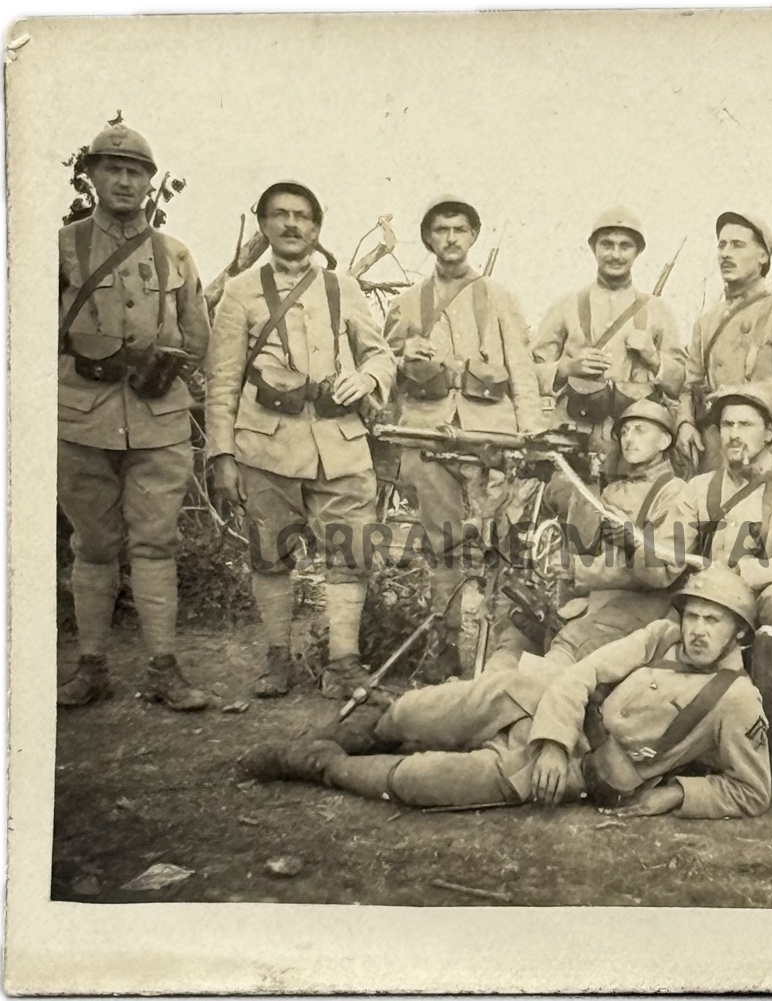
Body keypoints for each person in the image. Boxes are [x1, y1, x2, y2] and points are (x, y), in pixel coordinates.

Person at [238, 566, 772, 820]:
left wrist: (675, 795)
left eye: (714, 621)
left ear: (739, 634)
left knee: (425, 781)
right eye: (695, 615)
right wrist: (555, 739)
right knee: (453, 703)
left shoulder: (736, 699)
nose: (699, 630)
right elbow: (582, 674)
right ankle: (366, 726)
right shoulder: (662, 635)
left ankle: (316, 764)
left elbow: (752, 791)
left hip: (581, 769)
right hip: (556, 719)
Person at [205, 181, 396, 700]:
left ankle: (344, 666)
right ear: (264, 224)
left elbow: (380, 354)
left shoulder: (343, 288)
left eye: (303, 217)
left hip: (341, 444)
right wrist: (222, 454)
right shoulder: (240, 291)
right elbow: (222, 380)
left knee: (351, 553)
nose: (292, 225)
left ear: (317, 227)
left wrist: (370, 379)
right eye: (280, 215)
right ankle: (277, 660)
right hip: (266, 446)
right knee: (270, 555)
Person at [56, 123, 213, 710]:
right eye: (112, 169)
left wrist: (165, 366)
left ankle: (164, 669)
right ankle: (91, 666)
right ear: (92, 175)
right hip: (79, 418)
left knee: (156, 544)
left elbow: (200, 337)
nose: (124, 180)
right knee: (92, 546)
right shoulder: (65, 245)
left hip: (158, 419)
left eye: (136, 172)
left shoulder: (174, 253)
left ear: (151, 184)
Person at [380, 195, 546, 675]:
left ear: (473, 236)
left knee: (501, 543)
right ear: (428, 238)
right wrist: (401, 356)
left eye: (459, 229)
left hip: (491, 438)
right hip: (429, 435)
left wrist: (530, 427)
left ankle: (502, 652)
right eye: (440, 230)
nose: (450, 238)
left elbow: (521, 366)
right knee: (442, 543)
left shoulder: (499, 297)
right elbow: (382, 368)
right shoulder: (407, 302)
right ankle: (445, 644)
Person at [536, 398, 687, 666]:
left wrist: (579, 569)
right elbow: (584, 544)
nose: (629, 439)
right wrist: (583, 488)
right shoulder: (612, 489)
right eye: (625, 432)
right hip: (598, 600)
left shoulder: (674, 492)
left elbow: (663, 571)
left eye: (640, 430)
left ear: (664, 441)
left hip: (645, 606)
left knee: (568, 647)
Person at [532, 206, 684, 462]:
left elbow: (682, 381)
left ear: (638, 251)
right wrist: (565, 368)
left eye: (625, 246)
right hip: (572, 433)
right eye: (607, 245)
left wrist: (653, 357)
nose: (615, 254)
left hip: (633, 442)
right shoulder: (565, 306)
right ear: (593, 248)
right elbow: (528, 372)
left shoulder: (658, 311)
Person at [670, 386, 772, 632]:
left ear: (768, 433)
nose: (734, 434)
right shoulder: (699, 487)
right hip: (707, 595)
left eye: (745, 425)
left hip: (760, 597)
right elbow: (673, 552)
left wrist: (740, 569)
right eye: (728, 425)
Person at [676, 211, 772, 472]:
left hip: (767, 455)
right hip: (715, 455)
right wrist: (685, 423)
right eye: (722, 245)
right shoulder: (706, 322)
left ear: (763, 256)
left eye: (738, 245)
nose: (726, 254)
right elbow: (688, 385)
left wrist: (745, 397)